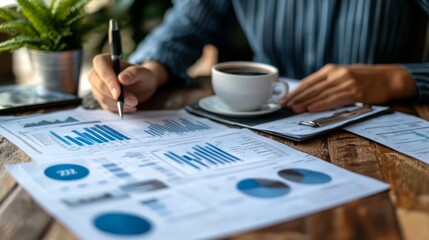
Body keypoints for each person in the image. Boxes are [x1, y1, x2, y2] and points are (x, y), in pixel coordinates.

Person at [88, 0, 429, 114]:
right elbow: (188, 25)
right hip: (268, 122)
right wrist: (148, 70)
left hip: (384, 121)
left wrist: (397, 77)